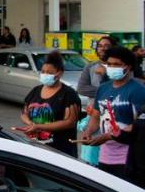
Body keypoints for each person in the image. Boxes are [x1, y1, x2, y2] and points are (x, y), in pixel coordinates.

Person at [75, 46, 145, 179]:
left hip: (128, 156)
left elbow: (139, 125)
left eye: (117, 64)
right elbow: (96, 116)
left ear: (128, 67)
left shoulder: (138, 91)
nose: (112, 67)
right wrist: (88, 132)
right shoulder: (103, 89)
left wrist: (109, 136)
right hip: (105, 155)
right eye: (109, 64)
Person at [20, 50, 81, 156]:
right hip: (35, 149)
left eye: (49, 72)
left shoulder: (68, 94)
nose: (45, 74)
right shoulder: (35, 91)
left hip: (61, 151)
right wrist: (31, 125)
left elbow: (69, 122)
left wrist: (39, 127)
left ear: (59, 73)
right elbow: (24, 114)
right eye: (43, 71)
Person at [76, 35, 116, 102]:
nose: (102, 49)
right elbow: (81, 89)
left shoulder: (119, 66)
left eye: (106, 46)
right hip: (95, 109)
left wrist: (106, 74)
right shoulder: (90, 67)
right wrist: (107, 91)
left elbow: (122, 88)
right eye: (100, 46)